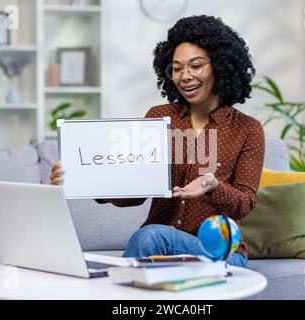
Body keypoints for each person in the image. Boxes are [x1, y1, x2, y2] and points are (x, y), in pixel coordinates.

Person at [50, 15, 265, 268]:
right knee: (152, 235)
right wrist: (82, 178)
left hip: (219, 252)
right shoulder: (159, 117)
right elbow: (135, 192)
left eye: (196, 66)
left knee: (151, 234)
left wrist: (212, 184)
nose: (184, 76)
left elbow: (245, 204)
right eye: (176, 68)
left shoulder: (248, 129)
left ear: (220, 65)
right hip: (160, 247)